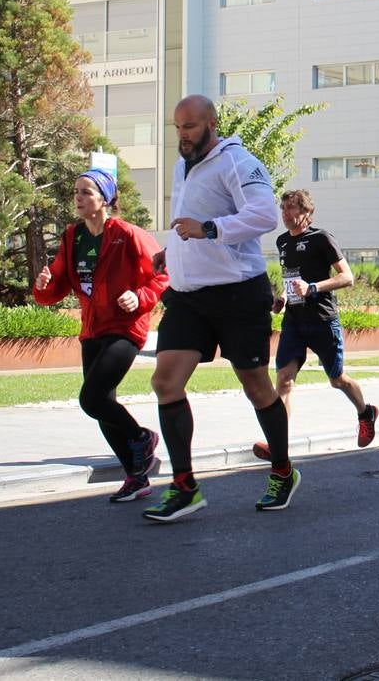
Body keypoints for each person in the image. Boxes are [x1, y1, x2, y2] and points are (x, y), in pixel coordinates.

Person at [142, 94, 294, 522]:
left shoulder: (238, 161)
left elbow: (264, 215)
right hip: (189, 297)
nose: (182, 135)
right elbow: (189, 220)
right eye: (177, 127)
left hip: (238, 294)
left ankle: (282, 471)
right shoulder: (181, 166)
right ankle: (184, 486)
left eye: (189, 126)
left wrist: (209, 229)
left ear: (211, 122)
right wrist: (171, 251)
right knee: (165, 382)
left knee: (256, 386)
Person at [33, 168, 168, 502]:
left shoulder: (128, 234)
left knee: (91, 399)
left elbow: (163, 273)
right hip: (92, 327)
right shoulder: (72, 236)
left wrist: (139, 296)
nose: (78, 198)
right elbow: (62, 283)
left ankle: (142, 436)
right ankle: (136, 476)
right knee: (102, 403)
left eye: (86, 192)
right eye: (76, 192)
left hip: (125, 326)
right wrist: (45, 287)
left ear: (104, 199)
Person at [254, 189, 377, 460]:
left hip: (322, 320)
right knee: (284, 381)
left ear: (307, 213)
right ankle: (278, 445)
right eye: (283, 208)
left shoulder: (321, 238)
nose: (285, 214)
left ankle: (365, 412)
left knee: (337, 380)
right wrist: (283, 298)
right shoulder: (282, 242)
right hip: (294, 323)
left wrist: (313, 288)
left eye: (291, 209)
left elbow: (347, 277)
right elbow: (291, 279)